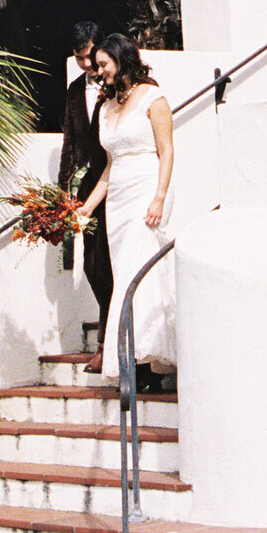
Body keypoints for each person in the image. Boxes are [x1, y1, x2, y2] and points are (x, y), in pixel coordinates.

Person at [77, 32, 175, 386]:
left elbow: (166, 151)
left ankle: (147, 362)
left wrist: (160, 197)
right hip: (118, 197)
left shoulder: (153, 97)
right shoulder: (105, 108)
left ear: (122, 60)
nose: (97, 70)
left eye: (103, 64)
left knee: (141, 270)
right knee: (124, 274)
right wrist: (87, 207)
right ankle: (134, 356)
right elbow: (108, 166)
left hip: (148, 187)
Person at [57, 19, 112, 369]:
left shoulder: (120, 85)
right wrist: (65, 193)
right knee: (92, 264)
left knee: (112, 263)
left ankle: (107, 345)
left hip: (119, 183)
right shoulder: (75, 90)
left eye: (91, 56)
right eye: (80, 58)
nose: (88, 65)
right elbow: (70, 143)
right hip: (87, 190)